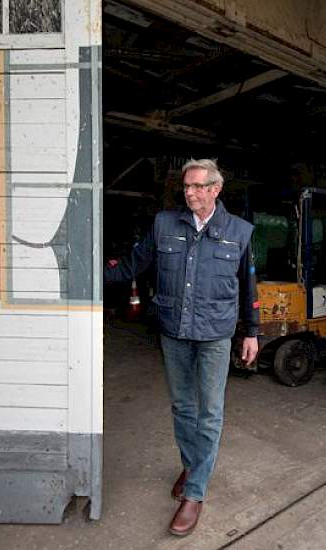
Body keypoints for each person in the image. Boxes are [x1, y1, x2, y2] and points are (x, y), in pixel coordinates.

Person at [105, 158, 260, 536]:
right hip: (174, 332)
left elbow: (248, 285)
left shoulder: (239, 232)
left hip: (214, 337)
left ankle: (194, 492)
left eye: (196, 186)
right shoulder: (164, 224)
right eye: (186, 187)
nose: (189, 192)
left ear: (214, 189)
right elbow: (132, 264)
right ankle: (193, 465)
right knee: (183, 407)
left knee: (210, 413)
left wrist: (252, 331)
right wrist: (89, 276)